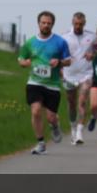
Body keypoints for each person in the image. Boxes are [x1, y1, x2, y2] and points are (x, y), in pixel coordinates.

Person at [18, 12, 71, 154]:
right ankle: (41, 143)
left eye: (49, 23)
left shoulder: (60, 42)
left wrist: (59, 62)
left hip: (52, 85)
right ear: (39, 23)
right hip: (34, 82)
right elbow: (21, 58)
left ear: (52, 24)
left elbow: (68, 60)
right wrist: (25, 62)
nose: (46, 25)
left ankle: (54, 125)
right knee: (35, 111)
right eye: (43, 22)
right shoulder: (30, 42)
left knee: (51, 117)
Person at [61, 12, 96, 145]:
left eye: (81, 24)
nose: (78, 26)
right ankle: (73, 128)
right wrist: (60, 68)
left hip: (86, 73)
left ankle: (80, 132)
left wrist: (92, 53)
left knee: (82, 101)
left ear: (84, 23)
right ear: (72, 22)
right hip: (69, 74)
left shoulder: (92, 36)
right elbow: (59, 54)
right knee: (71, 104)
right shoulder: (64, 36)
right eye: (76, 23)